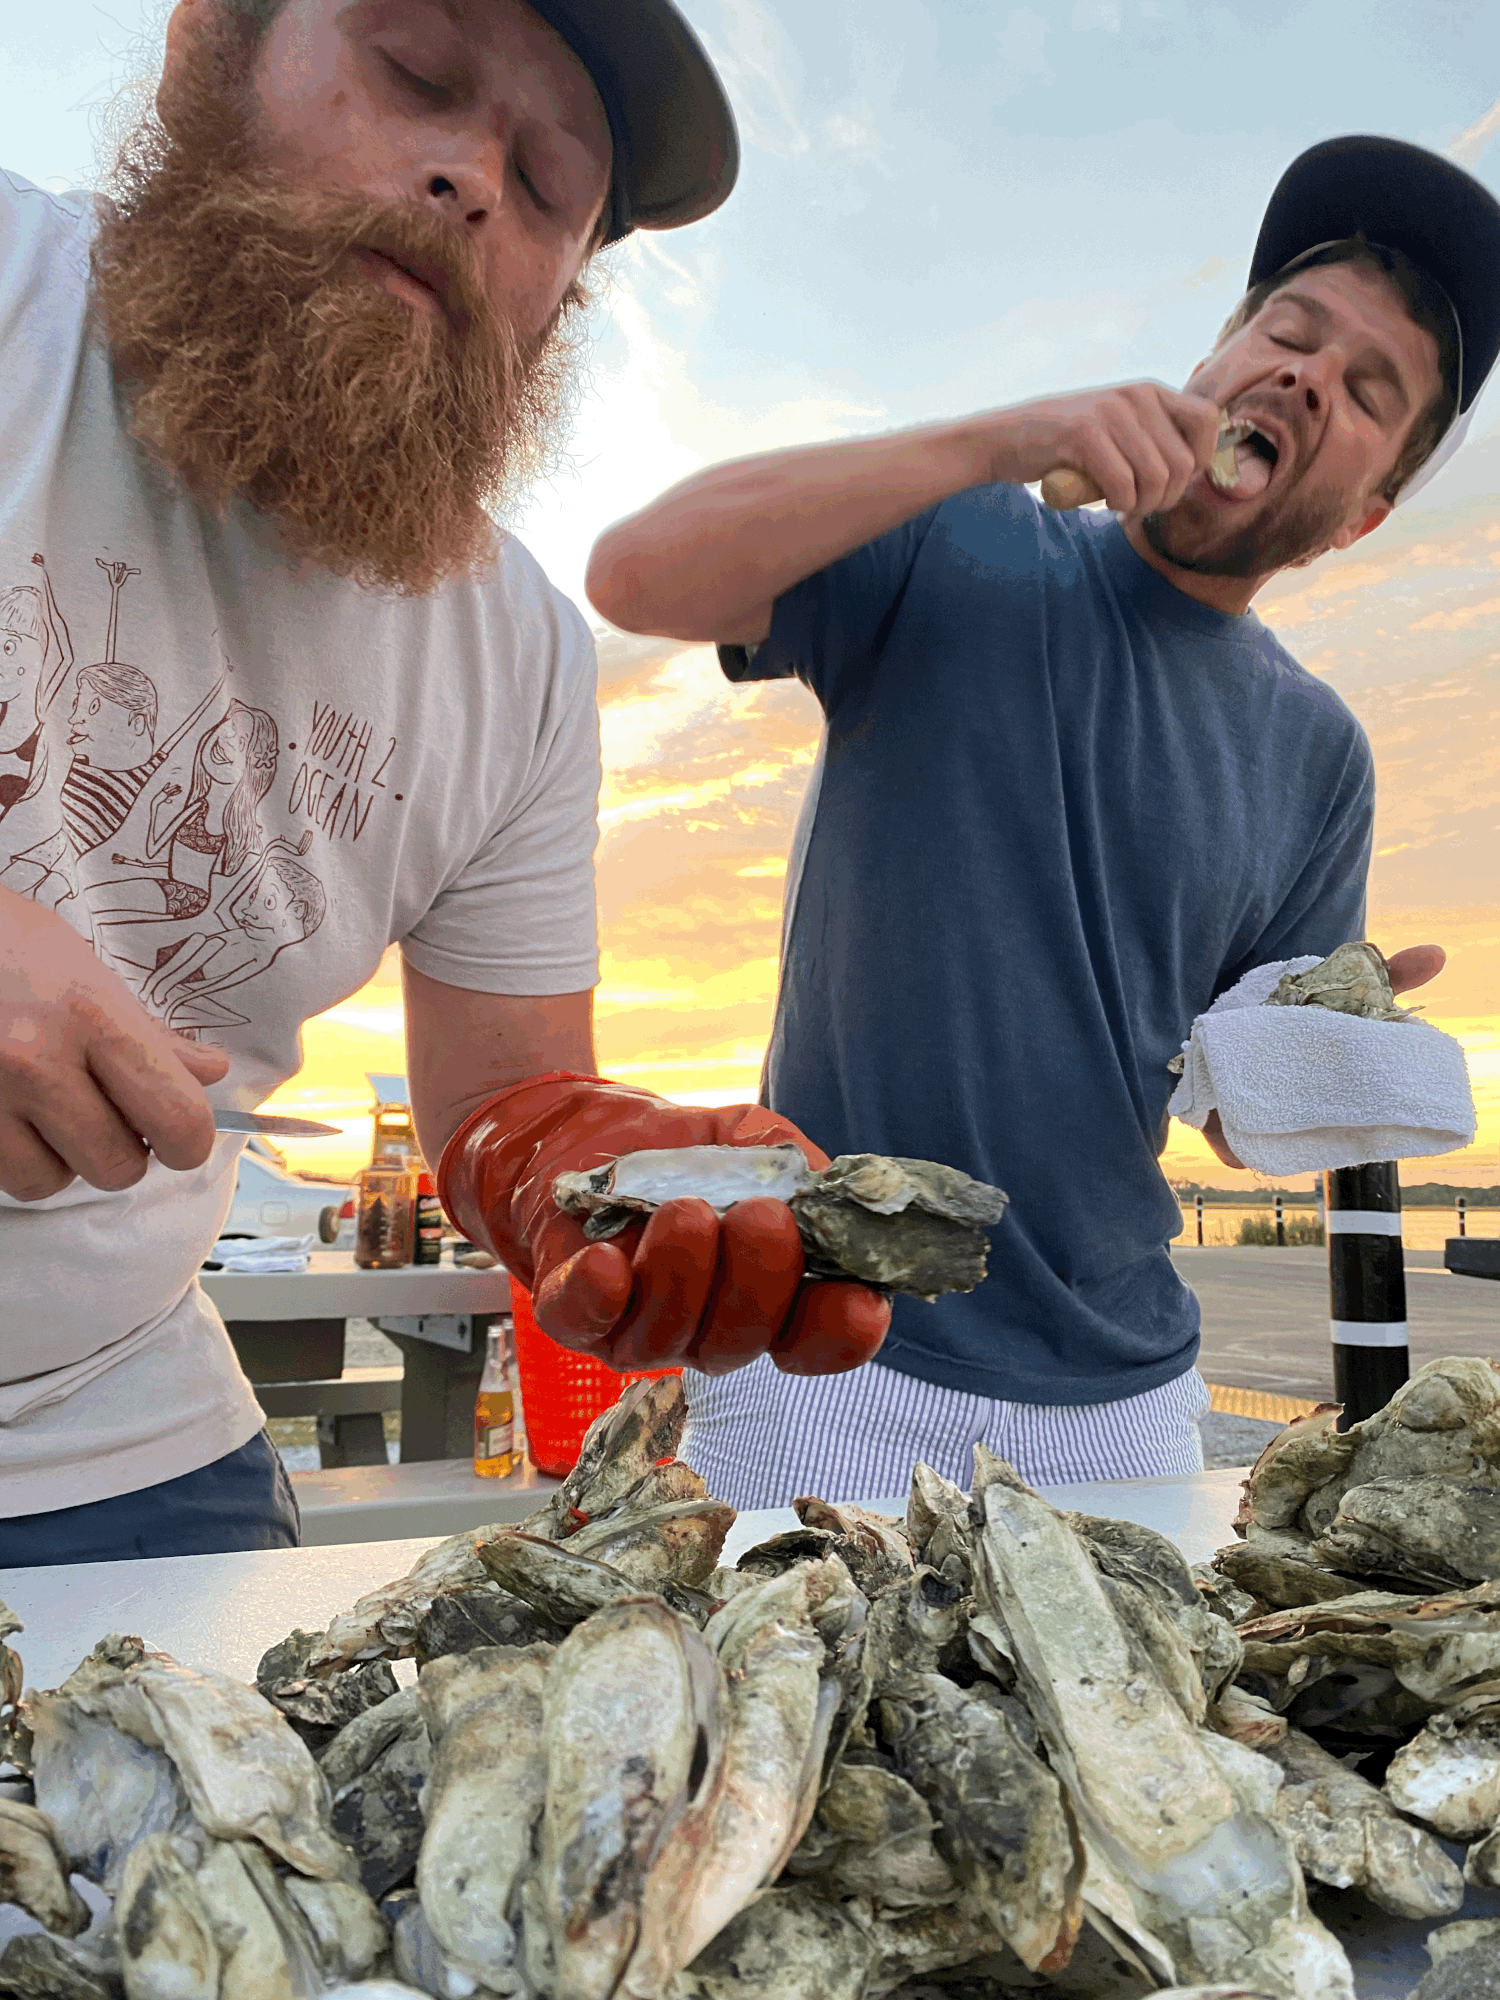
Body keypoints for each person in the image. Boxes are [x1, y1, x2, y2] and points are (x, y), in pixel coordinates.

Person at [0, 0, 890, 1567]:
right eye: (415, 69)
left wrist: (585, 1177)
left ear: (559, 301)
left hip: (114, 1434)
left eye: (551, 188)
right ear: (206, 49)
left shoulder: (522, 659)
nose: (473, 177)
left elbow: (500, 1100)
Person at [585, 136, 1500, 1508]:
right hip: (829, 1353)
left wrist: (1334, 1057)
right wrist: (1003, 440)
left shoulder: (1320, 755)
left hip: (1127, 1399)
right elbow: (639, 573)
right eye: (1289, 331)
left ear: (1359, 519)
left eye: (1369, 392)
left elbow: (1235, 1124)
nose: (1308, 374)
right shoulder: (959, 539)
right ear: (1216, 355)